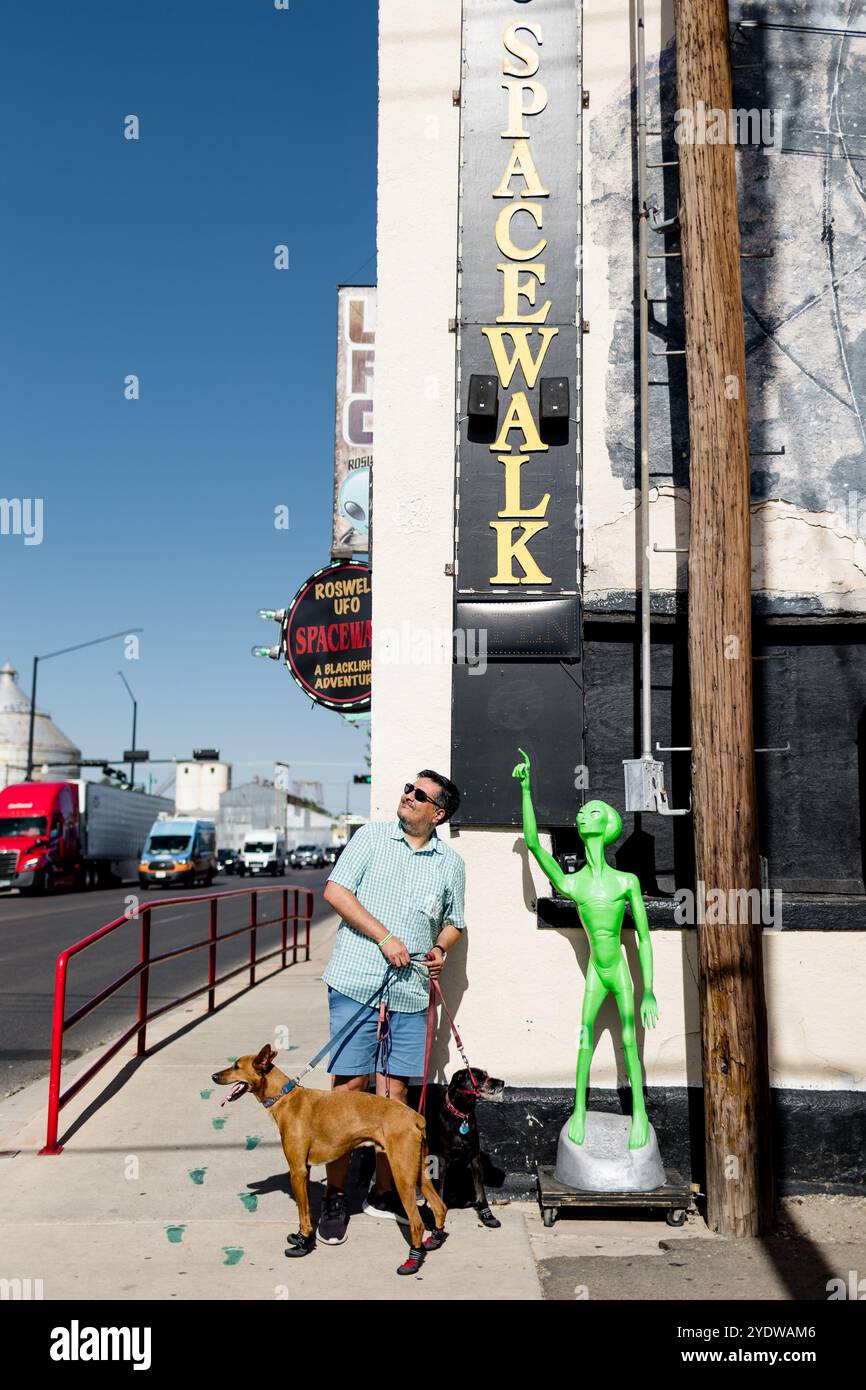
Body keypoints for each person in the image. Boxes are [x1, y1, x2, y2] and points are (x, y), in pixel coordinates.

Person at [316, 770, 465, 1245]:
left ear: (437, 813)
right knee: (348, 1088)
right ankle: (334, 1194)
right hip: (357, 980)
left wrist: (441, 949)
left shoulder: (450, 863)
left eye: (419, 794)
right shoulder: (371, 837)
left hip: (410, 991)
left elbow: (454, 923)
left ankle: (384, 1192)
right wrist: (384, 937)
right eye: (407, 788)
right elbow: (336, 893)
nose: (407, 796)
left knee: (394, 1096)